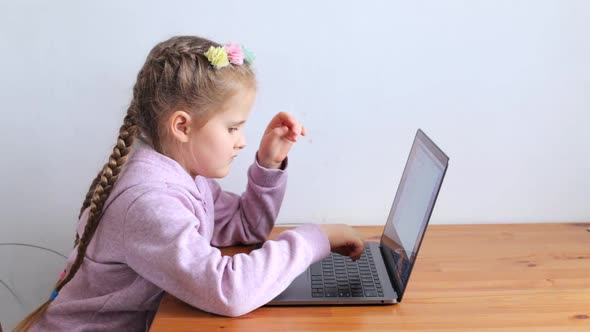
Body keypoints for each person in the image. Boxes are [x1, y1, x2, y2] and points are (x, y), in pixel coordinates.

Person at [15, 35, 365, 331]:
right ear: (182, 126)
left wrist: (268, 164)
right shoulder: (150, 202)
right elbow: (228, 290)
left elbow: (246, 227)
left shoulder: (186, 179)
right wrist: (315, 237)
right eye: (232, 128)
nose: (241, 141)